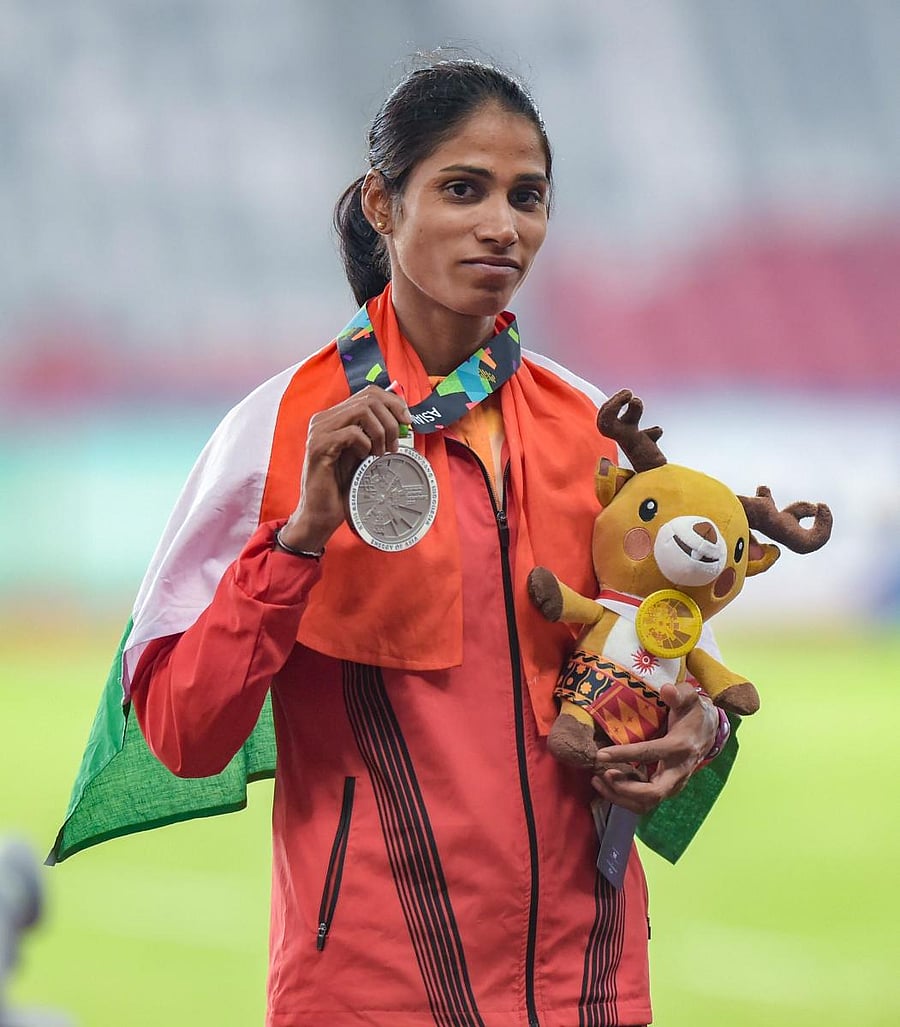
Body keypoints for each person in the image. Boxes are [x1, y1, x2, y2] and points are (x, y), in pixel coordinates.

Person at [126, 59, 721, 1026]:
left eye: (526, 196)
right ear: (382, 204)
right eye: (462, 189)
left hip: (590, 983)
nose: (502, 226)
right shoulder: (275, 431)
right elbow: (184, 736)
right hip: (374, 989)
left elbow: (666, 655)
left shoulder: (593, 433)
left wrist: (698, 728)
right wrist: (299, 541)